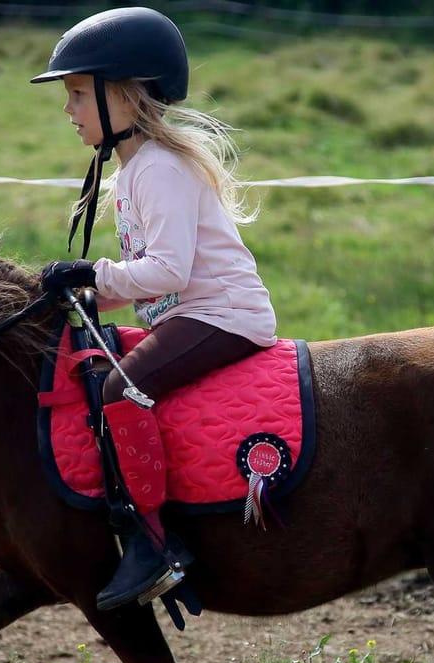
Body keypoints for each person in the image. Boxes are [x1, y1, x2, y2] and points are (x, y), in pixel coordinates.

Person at [31, 7, 277, 612]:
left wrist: (93, 272)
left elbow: (169, 271)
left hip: (221, 315)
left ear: (121, 97)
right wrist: (88, 295)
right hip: (188, 314)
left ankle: (155, 542)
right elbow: (147, 279)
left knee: (120, 390)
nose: (70, 110)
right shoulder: (135, 172)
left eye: (78, 95)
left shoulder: (159, 170)